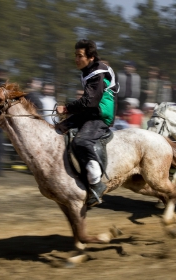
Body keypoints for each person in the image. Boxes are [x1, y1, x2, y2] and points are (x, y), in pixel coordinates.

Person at [56, 39, 119, 207]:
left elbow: (89, 101)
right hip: (90, 112)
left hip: (101, 114)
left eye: (80, 56)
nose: (76, 59)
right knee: (59, 128)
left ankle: (97, 184)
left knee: (82, 141)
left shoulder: (97, 73)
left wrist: (67, 108)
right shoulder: (87, 71)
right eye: (75, 55)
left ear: (90, 57)